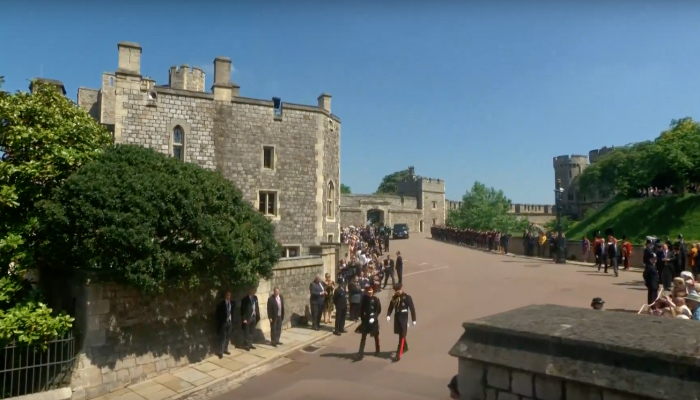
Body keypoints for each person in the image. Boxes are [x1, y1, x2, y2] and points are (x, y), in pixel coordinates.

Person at [386, 283, 416, 362]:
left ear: (401, 289)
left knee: (402, 335)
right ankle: (405, 347)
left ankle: (398, 355)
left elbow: (412, 308)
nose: (397, 292)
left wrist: (413, 319)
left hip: (404, 317)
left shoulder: (407, 297)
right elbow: (391, 307)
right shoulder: (394, 297)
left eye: (398, 290)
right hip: (397, 317)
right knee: (400, 333)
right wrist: (388, 315)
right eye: (396, 290)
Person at [356, 284, 382, 361]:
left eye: (371, 290)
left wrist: (374, 317)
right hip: (366, 319)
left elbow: (378, 310)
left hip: (373, 319)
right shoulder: (364, 299)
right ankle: (361, 352)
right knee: (363, 336)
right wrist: (362, 318)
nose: (370, 292)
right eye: (368, 290)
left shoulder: (376, 299)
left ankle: (377, 350)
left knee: (376, 336)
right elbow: (361, 309)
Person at [215, 290, 234, 358]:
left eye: (229, 295)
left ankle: (225, 349)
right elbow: (218, 314)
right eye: (227, 295)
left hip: (229, 322)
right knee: (222, 338)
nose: (229, 297)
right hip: (224, 322)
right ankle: (220, 351)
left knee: (228, 337)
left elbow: (232, 312)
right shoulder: (222, 304)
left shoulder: (231, 303)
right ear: (225, 296)